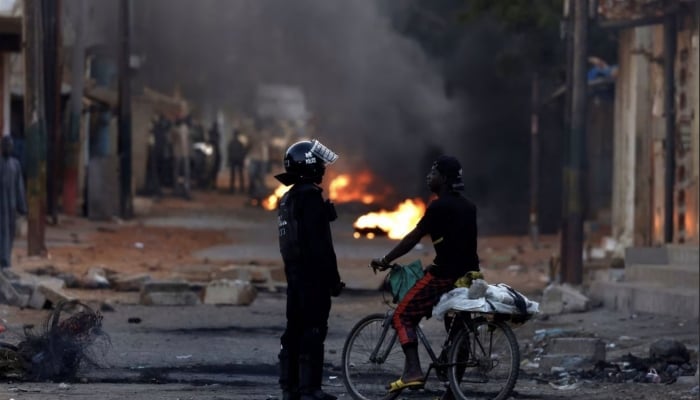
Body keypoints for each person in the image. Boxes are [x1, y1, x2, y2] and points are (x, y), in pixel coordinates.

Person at [370, 155, 479, 399]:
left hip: (445, 276)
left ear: (445, 179)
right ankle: (453, 393)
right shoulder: (469, 206)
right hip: (468, 277)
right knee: (458, 332)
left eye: (434, 172)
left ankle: (412, 372)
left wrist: (386, 260)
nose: (429, 176)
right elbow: (459, 245)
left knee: (402, 316)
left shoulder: (439, 206)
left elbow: (413, 238)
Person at [275, 139, 345, 400]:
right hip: (313, 278)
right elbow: (322, 246)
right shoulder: (311, 197)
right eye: (320, 163)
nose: (324, 168)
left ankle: (289, 388)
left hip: (294, 277)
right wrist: (333, 280)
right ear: (310, 165)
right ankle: (310, 389)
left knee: (294, 330)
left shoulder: (288, 199)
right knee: (314, 330)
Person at [0, 136, 27, 269]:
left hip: (11, 206)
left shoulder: (15, 165)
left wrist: (22, 207)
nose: (8, 148)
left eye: (10, 146)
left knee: (9, 233)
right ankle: (2, 259)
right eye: (5, 145)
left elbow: (19, 187)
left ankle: (6, 259)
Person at [170, 116, 191, 200]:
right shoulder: (174, 130)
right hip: (178, 153)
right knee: (178, 172)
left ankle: (185, 189)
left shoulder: (184, 128)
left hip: (184, 153)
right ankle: (177, 189)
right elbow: (172, 140)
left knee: (185, 173)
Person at [227, 129, 248, 193]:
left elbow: (229, 152)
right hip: (238, 160)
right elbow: (243, 152)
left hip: (234, 160)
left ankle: (232, 189)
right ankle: (241, 189)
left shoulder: (231, 143)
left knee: (233, 175)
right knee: (240, 175)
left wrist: (229, 160)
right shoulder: (240, 143)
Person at [207, 121, 222, 190]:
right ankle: (211, 184)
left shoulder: (213, 133)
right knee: (212, 169)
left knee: (212, 169)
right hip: (213, 152)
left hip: (213, 152)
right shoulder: (215, 134)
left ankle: (212, 184)